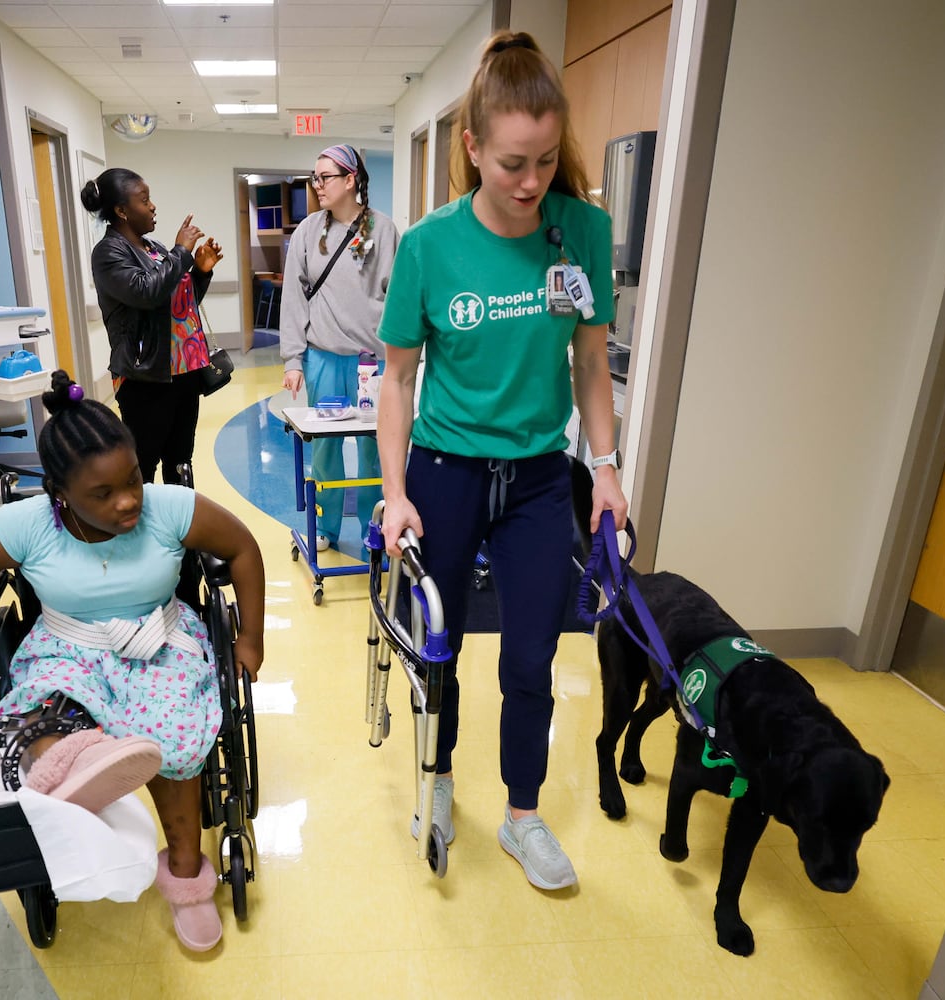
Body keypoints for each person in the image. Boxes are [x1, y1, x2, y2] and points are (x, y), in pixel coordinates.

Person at [376, 31, 628, 892]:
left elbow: (589, 361)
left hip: (532, 480)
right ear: (472, 147)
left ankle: (522, 815)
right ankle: (439, 784)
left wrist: (606, 467)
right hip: (444, 472)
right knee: (436, 650)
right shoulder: (429, 246)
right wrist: (395, 492)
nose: (530, 184)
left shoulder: (581, 228)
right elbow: (398, 379)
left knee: (530, 657)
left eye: (547, 161)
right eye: (512, 162)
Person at [0, 371, 265, 952]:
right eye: (103, 494)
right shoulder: (29, 525)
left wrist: (250, 641)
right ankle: (80, 767)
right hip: (68, 647)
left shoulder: (169, 508)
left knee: (177, 744)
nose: (128, 500)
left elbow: (243, 549)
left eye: (133, 478)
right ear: (60, 494)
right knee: (38, 710)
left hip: (158, 641)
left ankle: (186, 879)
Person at [280, 144, 399, 553]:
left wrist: (400, 360)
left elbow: (396, 297)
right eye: (314, 178)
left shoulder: (381, 231)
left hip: (373, 364)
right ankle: (327, 528)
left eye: (325, 177)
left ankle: (375, 526)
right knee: (326, 449)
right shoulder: (309, 232)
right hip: (323, 359)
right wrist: (294, 359)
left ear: (351, 180)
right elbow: (294, 299)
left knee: (376, 450)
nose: (317, 186)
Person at [82, 168, 225, 487]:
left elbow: (179, 306)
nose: (153, 206)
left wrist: (200, 272)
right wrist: (182, 252)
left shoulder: (155, 248)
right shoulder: (108, 253)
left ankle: (179, 531)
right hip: (145, 378)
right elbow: (144, 293)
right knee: (142, 465)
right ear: (121, 211)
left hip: (184, 373)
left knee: (180, 462)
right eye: (144, 200)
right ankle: (143, 534)